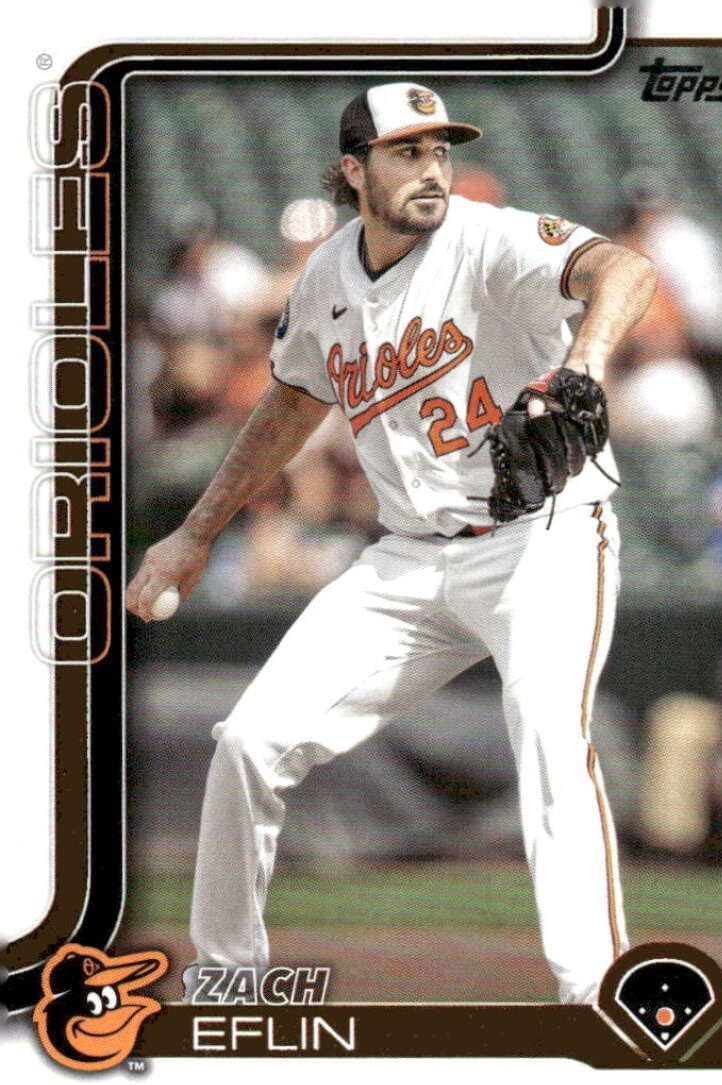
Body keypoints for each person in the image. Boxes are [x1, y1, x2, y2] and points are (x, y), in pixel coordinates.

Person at [126, 82, 657, 1005]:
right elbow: (289, 404)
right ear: (353, 169)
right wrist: (195, 532)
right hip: (407, 556)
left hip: (541, 539)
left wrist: (584, 360)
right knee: (249, 741)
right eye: (407, 152)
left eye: (440, 150)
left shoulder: (488, 239)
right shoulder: (326, 276)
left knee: (547, 735)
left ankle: (597, 997)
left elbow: (626, 269)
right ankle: (228, 986)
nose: (432, 169)